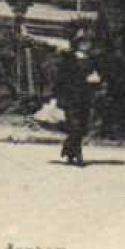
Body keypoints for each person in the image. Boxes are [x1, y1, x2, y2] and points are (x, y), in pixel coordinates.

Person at [54, 25, 101, 167]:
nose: (86, 44)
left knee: (83, 126)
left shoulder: (92, 59)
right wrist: (58, 96)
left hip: (85, 97)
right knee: (75, 126)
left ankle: (69, 150)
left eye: (88, 42)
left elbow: (97, 76)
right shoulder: (69, 58)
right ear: (76, 43)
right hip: (70, 97)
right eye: (82, 41)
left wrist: (96, 81)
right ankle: (77, 154)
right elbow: (61, 78)